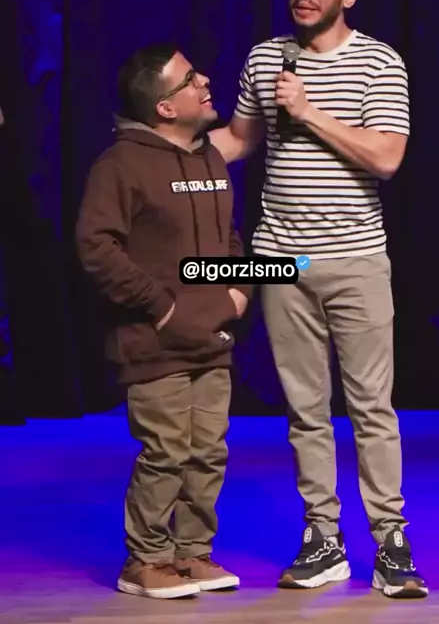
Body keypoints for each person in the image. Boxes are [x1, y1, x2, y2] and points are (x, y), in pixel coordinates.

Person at [210, 0, 428, 599]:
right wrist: (157, 149)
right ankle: (323, 538)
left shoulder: (379, 62)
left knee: (371, 408)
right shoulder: (265, 58)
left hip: (356, 258)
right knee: (305, 410)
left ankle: (390, 543)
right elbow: (240, 140)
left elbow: (386, 157)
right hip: (283, 259)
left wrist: (308, 112)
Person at [76, 43, 252, 600]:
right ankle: (146, 560)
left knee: (209, 452)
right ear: (165, 107)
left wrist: (239, 292)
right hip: (154, 343)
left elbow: (228, 235)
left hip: (212, 337)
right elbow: (96, 247)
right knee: (166, 452)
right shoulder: (121, 165)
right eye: (190, 79)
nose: (205, 82)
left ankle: (192, 553)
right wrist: (162, 306)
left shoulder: (209, 159)